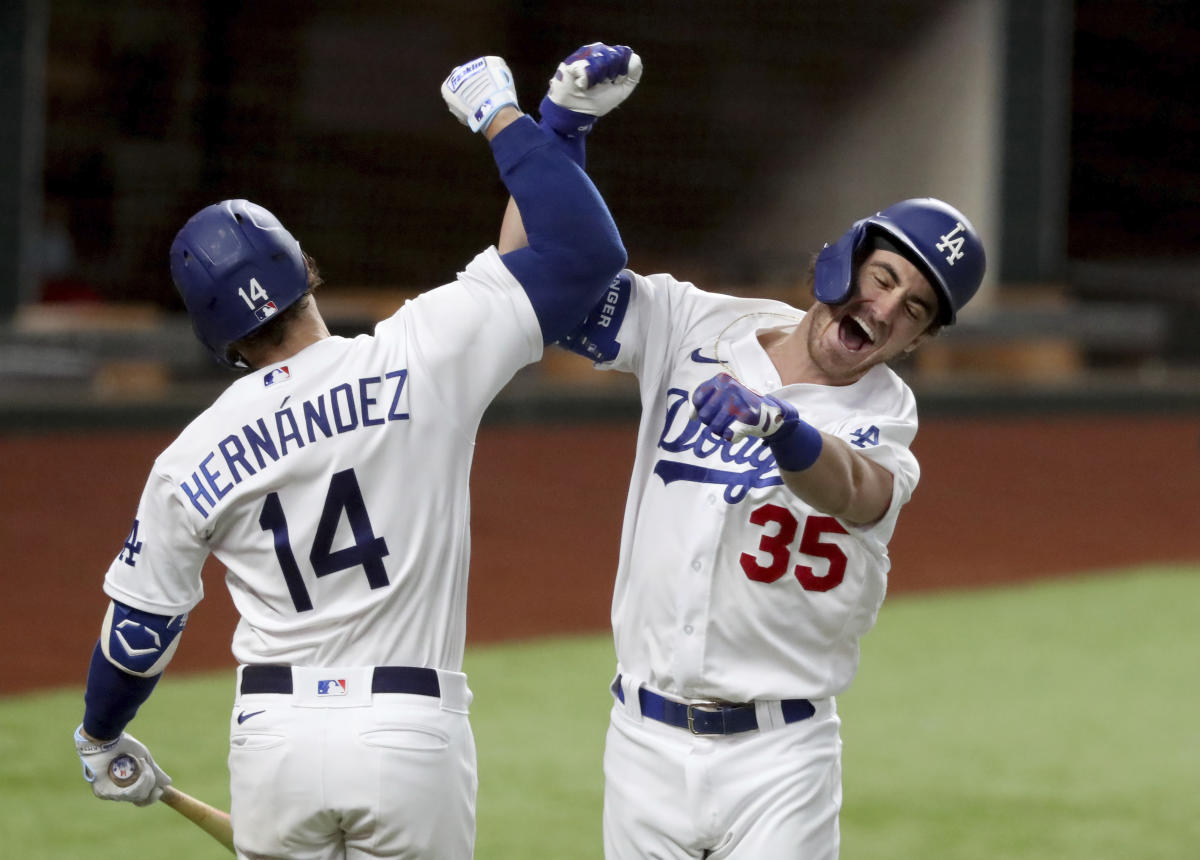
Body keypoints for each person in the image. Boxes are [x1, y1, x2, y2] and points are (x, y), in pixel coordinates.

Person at [72, 46, 639, 860]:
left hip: (273, 745)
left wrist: (101, 734)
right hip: (408, 734)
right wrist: (523, 123)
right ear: (304, 268)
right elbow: (573, 253)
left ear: (216, 339)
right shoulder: (418, 352)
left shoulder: (187, 457)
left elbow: (138, 633)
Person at [503, 66, 986, 859]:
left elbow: (857, 492)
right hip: (643, 745)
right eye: (886, 277)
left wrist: (780, 429)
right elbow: (531, 280)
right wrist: (552, 140)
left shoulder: (884, 414)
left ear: (918, 340)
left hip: (779, 760)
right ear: (845, 259)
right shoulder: (694, 325)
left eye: (916, 309)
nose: (889, 308)